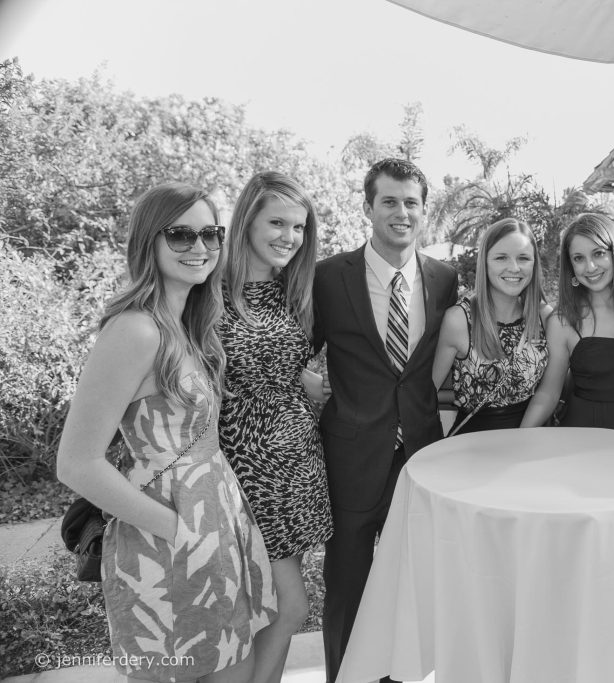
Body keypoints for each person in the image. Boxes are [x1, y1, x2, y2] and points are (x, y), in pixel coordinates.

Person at [56, 182, 276, 683]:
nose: (199, 247)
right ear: (148, 241)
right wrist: (179, 530)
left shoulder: (187, 325)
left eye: (210, 234)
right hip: (166, 536)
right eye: (180, 234)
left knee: (233, 663)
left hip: (215, 521)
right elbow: (76, 462)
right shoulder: (136, 330)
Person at [313, 158, 459, 682]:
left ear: (424, 210)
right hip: (351, 455)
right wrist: (309, 382)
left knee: (413, 587)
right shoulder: (328, 277)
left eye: (411, 202)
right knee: (348, 588)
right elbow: (296, 351)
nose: (402, 212)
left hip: (420, 454)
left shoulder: (445, 278)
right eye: (390, 201)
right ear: (368, 206)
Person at [218, 171, 333, 683]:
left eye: (299, 227)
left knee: (275, 610)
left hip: (298, 467)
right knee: (286, 607)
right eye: (277, 223)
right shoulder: (210, 293)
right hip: (247, 472)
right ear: (247, 220)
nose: (290, 236)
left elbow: (288, 361)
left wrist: (308, 382)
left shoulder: (293, 291)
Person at [522, 213, 614, 434]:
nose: (590, 267)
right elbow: (548, 393)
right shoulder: (562, 321)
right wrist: (520, 438)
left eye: (599, 253)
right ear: (571, 266)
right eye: (578, 258)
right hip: (586, 434)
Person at [432, 218, 550, 434]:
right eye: (501, 257)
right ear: (485, 262)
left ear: (534, 264)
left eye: (524, 258)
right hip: (474, 442)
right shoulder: (460, 319)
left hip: (529, 439)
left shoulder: (543, 316)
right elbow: (428, 393)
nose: (514, 268)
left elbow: (551, 389)